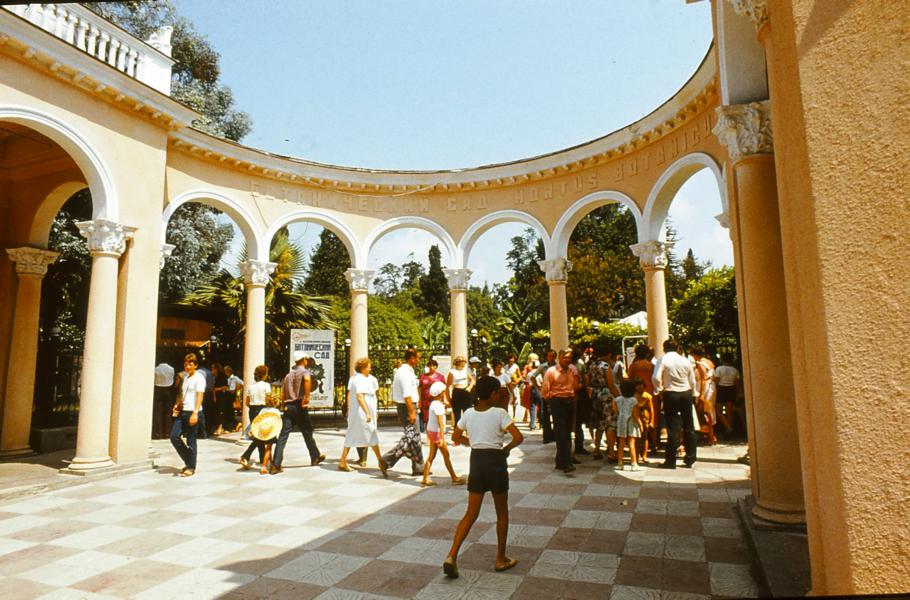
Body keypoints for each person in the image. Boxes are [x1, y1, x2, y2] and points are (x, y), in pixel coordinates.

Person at [443, 376, 523, 578]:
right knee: (501, 512)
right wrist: (506, 449)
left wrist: (471, 442)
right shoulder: (499, 413)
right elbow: (518, 437)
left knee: (471, 513)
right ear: (494, 394)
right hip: (495, 461)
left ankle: (452, 555)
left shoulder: (469, 413)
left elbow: (454, 436)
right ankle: (500, 558)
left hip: (476, 461)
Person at [273, 351, 326, 473]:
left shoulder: (288, 375)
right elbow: (307, 380)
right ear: (303, 360)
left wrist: (283, 404)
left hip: (288, 406)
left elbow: (283, 392)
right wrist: (307, 396)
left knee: (283, 435)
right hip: (299, 405)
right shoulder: (304, 372)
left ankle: (276, 464)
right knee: (307, 431)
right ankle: (315, 457)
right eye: (306, 360)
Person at [339, 357, 388, 476]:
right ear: (363, 368)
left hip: (362, 413)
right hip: (361, 413)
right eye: (368, 366)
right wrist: (367, 412)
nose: (370, 368)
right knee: (371, 434)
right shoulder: (358, 380)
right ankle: (380, 461)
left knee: (352, 435)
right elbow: (360, 397)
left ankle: (342, 461)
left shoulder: (365, 379)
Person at [654, 340, 697, 469]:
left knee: (672, 427)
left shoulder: (663, 360)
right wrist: (694, 393)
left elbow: (655, 377)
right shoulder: (685, 360)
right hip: (686, 393)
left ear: (664, 348)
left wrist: (659, 389)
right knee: (689, 426)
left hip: (671, 394)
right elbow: (692, 380)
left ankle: (671, 460)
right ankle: (690, 458)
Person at [382, 348, 425, 476]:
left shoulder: (407, 371)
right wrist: (411, 412)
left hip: (407, 406)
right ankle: (386, 460)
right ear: (412, 358)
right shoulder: (405, 373)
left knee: (414, 437)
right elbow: (407, 394)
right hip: (408, 406)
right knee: (411, 437)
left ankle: (418, 466)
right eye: (417, 357)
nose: (418, 360)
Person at [542, 348, 581, 474]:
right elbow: (545, 391)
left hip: (569, 402)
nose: (568, 360)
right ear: (560, 358)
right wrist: (552, 403)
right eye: (565, 357)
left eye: (570, 357)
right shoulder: (551, 372)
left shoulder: (571, 371)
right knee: (561, 433)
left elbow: (574, 387)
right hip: (557, 402)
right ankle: (566, 463)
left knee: (567, 433)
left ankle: (560, 461)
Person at [421, 381, 466, 487]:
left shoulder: (434, 404)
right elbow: (441, 423)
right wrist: (442, 438)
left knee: (431, 456)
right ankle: (454, 478)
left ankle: (425, 478)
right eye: (443, 392)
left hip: (431, 432)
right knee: (446, 455)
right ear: (440, 393)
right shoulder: (438, 406)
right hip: (437, 433)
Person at [170, 353, 205, 477]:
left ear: (195, 365)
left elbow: (200, 396)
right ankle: (189, 460)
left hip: (193, 411)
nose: (187, 366)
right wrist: (178, 404)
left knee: (191, 439)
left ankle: (191, 466)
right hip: (183, 410)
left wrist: (195, 413)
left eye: (190, 364)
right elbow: (184, 395)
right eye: (186, 363)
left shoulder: (199, 378)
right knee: (174, 436)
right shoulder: (185, 378)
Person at [588, 347, 619, 461]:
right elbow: (611, 384)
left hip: (595, 395)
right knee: (610, 423)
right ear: (608, 354)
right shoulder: (606, 366)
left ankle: (596, 450)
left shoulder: (592, 365)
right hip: (606, 394)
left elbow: (589, 380)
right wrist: (618, 395)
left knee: (599, 424)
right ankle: (611, 453)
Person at [239, 365, 271, 469]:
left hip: (252, 410)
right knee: (260, 436)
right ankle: (246, 455)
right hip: (262, 409)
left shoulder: (251, 386)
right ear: (264, 375)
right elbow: (269, 399)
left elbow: (247, 402)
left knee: (258, 433)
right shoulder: (266, 385)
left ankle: (262, 458)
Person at [627, 344, 657, 455]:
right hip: (650, 392)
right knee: (653, 419)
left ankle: (639, 445)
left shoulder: (633, 366)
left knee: (638, 418)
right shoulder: (651, 366)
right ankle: (653, 445)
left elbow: (630, 380)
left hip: (637, 394)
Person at [245, 390, 283, 475]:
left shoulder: (263, 410)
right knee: (268, 449)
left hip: (262, 430)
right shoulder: (276, 411)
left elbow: (258, 420)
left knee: (267, 448)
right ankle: (264, 466)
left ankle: (272, 464)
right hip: (270, 430)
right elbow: (278, 422)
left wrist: (252, 429)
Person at [613, 379, 642, 471]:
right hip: (631, 422)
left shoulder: (617, 400)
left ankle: (620, 463)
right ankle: (633, 463)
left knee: (621, 443)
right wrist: (640, 424)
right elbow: (635, 415)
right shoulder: (633, 400)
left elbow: (616, 412)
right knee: (631, 443)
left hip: (621, 422)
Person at [714, 354, 743, 437]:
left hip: (721, 389)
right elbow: (737, 383)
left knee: (719, 412)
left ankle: (728, 427)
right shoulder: (735, 370)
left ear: (722, 360)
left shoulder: (719, 369)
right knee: (729, 411)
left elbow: (716, 380)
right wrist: (736, 393)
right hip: (731, 390)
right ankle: (729, 428)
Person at [531, 349, 557, 443]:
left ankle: (555, 435)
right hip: (546, 393)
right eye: (549, 356)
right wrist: (537, 387)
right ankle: (547, 437)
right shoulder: (543, 366)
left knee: (556, 416)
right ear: (547, 357)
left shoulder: (558, 366)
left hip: (556, 393)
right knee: (545, 416)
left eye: (553, 356)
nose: (551, 358)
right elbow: (533, 376)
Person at [419, 359, 447, 434]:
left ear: (436, 367)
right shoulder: (423, 377)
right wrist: (419, 401)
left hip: (437, 401)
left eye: (434, 365)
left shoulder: (441, 377)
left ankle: (438, 434)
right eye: (430, 365)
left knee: (437, 418)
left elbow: (444, 389)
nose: (431, 367)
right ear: (428, 366)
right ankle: (428, 437)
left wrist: (445, 399)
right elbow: (420, 389)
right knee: (426, 419)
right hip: (426, 401)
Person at [447, 356, 474, 428]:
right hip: (457, 392)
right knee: (457, 414)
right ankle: (457, 431)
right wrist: (448, 398)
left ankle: (468, 430)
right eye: (463, 361)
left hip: (466, 391)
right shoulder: (452, 372)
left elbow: (473, 380)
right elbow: (448, 385)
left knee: (467, 413)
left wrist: (470, 387)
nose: (464, 363)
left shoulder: (466, 371)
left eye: (465, 361)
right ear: (458, 362)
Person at [153, 360, 175, 439]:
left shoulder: (156, 369)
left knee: (157, 412)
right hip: (168, 389)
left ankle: (157, 433)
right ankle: (167, 433)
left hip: (158, 389)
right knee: (167, 413)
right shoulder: (171, 369)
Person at [634, 377, 654, 464]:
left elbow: (651, 409)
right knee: (637, 438)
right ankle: (637, 455)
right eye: (637, 385)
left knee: (645, 438)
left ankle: (644, 455)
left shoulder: (648, 396)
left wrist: (652, 421)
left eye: (641, 385)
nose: (639, 387)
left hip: (645, 418)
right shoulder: (633, 396)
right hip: (636, 418)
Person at [224, 365, 244, 432]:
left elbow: (242, 383)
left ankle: (231, 426)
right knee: (227, 410)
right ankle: (230, 426)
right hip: (227, 393)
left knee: (231, 410)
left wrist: (237, 389)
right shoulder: (227, 378)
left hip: (232, 394)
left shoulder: (234, 378)